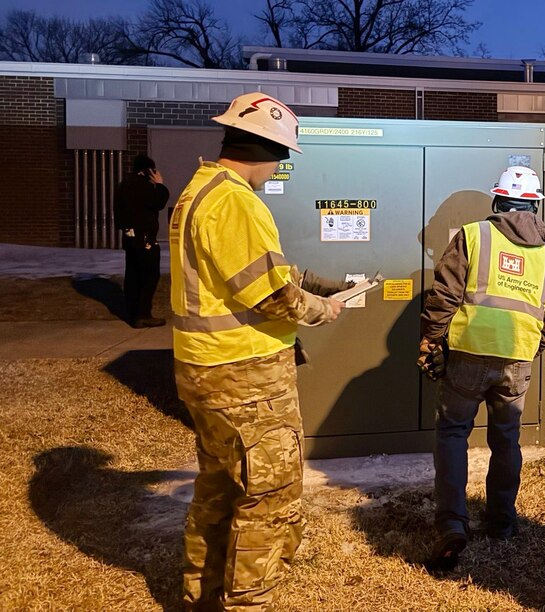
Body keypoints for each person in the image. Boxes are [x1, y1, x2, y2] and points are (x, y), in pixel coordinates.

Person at [169, 92, 351, 609]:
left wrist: (316, 282)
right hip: (244, 376)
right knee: (270, 497)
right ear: (268, 150)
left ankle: (201, 595)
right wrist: (324, 309)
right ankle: (250, 600)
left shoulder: (200, 190)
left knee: (221, 487)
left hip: (206, 369)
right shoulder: (236, 201)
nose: (276, 172)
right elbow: (271, 295)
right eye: (280, 160)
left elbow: (252, 270)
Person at [419, 165, 545, 572]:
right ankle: (502, 522)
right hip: (516, 363)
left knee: (452, 434)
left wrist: (431, 338)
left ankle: (452, 524)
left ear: (497, 201)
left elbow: (444, 295)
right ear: (535, 206)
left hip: (468, 355)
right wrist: (530, 344)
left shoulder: (473, 236)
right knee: (507, 441)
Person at [115, 154, 169, 327]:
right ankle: (143, 314)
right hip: (144, 237)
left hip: (129, 237)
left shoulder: (124, 184)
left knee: (133, 275)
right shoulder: (143, 186)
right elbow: (159, 202)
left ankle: (132, 313)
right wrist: (160, 185)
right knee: (149, 276)